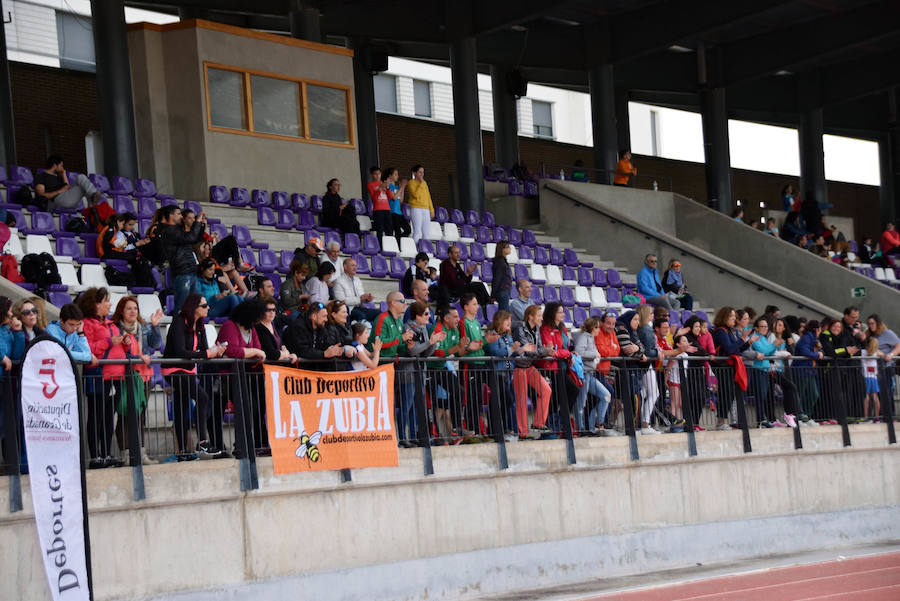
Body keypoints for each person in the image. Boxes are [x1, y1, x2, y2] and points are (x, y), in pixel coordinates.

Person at [163, 293, 226, 460]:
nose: (208, 308)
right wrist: (207, 353)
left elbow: (204, 350)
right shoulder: (179, 321)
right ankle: (202, 441)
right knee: (203, 398)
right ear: (194, 307)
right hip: (173, 369)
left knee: (182, 407)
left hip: (189, 371)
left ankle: (183, 452)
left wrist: (216, 351)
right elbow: (180, 351)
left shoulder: (200, 325)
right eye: (204, 305)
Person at [76, 288, 125, 467]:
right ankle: (95, 457)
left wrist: (125, 344)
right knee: (96, 417)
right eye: (106, 301)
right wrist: (109, 342)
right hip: (97, 375)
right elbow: (87, 349)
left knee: (107, 417)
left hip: (115, 377)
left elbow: (117, 349)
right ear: (96, 304)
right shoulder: (87, 324)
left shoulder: (112, 324)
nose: (110, 304)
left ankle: (106, 454)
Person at [217, 300, 269, 455]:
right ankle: (237, 446)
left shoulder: (251, 329)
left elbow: (258, 350)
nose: (257, 321)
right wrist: (252, 352)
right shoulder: (229, 326)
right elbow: (232, 350)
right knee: (224, 412)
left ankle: (245, 445)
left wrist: (251, 352)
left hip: (244, 376)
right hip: (226, 376)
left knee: (250, 409)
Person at [400, 301, 444, 445]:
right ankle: (402, 437)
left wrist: (433, 343)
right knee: (406, 406)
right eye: (426, 314)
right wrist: (429, 342)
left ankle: (413, 437)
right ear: (417, 315)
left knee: (416, 406)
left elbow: (425, 353)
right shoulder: (408, 327)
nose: (429, 316)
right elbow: (412, 351)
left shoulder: (423, 328)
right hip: (408, 372)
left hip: (420, 371)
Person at [511, 304, 552, 439]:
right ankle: (523, 433)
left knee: (546, 390)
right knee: (521, 400)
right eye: (539, 315)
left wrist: (541, 351)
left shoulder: (537, 329)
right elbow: (528, 351)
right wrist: (544, 351)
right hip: (519, 368)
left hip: (529, 367)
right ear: (530, 316)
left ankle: (538, 423)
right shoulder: (519, 328)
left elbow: (536, 349)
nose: (541, 318)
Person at [158, 205, 207, 316]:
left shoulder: (176, 229)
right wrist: (197, 222)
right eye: (179, 214)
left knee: (195, 307)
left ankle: (190, 331)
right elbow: (191, 238)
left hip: (190, 270)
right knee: (182, 307)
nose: (181, 216)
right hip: (182, 272)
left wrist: (201, 224)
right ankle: (177, 330)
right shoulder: (168, 230)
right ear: (171, 216)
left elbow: (196, 239)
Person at [429, 307, 469, 440]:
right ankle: (432, 435)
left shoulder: (455, 330)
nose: (459, 319)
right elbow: (437, 353)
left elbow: (458, 353)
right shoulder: (437, 329)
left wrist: (468, 347)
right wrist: (458, 347)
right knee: (434, 403)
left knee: (459, 391)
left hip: (441, 367)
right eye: (456, 316)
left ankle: (456, 426)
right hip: (429, 368)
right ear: (446, 318)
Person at [710, 306, 751, 431]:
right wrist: (742, 339)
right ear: (725, 317)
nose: (734, 318)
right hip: (722, 366)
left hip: (729, 366)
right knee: (725, 393)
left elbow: (736, 349)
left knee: (729, 393)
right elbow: (729, 349)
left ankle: (723, 420)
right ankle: (721, 421)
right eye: (732, 316)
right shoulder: (721, 331)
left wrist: (748, 343)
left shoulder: (729, 330)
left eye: (734, 316)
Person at [484, 310, 522, 441]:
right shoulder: (492, 334)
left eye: (510, 320)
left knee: (505, 400)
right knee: (502, 400)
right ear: (500, 320)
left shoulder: (508, 336)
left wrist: (519, 350)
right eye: (507, 320)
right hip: (495, 373)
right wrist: (511, 349)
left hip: (506, 373)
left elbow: (510, 354)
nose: (509, 323)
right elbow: (494, 351)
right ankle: (496, 430)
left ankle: (501, 428)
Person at [573, 318, 613, 435]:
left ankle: (598, 423)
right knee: (581, 402)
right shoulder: (584, 337)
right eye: (597, 327)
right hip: (584, 374)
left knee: (606, 395)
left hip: (590, 374)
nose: (599, 330)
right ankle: (581, 428)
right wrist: (594, 354)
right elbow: (578, 352)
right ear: (592, 328)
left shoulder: (590, 338)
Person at [34, 155, 104, 210]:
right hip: (55, 200)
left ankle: (93, 204)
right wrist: (60, 191)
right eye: (61, 166)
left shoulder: (58, 177)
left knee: (82, 181)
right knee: (82, 180)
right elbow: (42, 195)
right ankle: (92, 206)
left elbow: (67, 188)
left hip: (65, 199)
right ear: (55, 165)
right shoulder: (41, 176)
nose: (63, 168)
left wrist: (63, 174)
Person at [439, 244, 490, 319]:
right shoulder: (445, 265)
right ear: (450, 254)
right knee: (479, 286)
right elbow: (453, 282)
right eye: (456, 253)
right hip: (452, 290)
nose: (458, 254)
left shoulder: (457, 265)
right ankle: (486, 304)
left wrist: (469, 273)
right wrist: (466, 275)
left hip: (460, 288)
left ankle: (485, 309)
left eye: (459, 252)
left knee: (479, 287)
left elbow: (466, 280)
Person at [635, 305, 662, 435]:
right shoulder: (646, 329)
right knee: (654, 393)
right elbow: (647, 350)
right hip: (646, 365)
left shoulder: (641, 328)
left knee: (645, 394)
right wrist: (657, 352)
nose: (653, 315)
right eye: (651, 313)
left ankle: (644, 423)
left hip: (644, 365)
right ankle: (645, 423)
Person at [332, 257, 381, 323]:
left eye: (356, 266)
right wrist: (360, 298)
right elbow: (341, 301)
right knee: (361, 316)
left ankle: (375, 333)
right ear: (345, 267)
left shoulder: (357, 280)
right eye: (352, 265)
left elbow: (361, 298)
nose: (355, 268)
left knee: (379, 313)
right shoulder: (338, 281)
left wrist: (367, 299)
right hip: (349, 309)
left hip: (361, 307)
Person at [255, 296, 298, 365]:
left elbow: (282, 345)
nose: (272, 312)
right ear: (262, 311)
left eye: (274, 310)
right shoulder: (259, 328)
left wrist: (288, 354)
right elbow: (272, 354)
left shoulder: (273, 325)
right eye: (268, 310)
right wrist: (285, 354)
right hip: (265, 368)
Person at [406, 164, 435, 244]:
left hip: (426, 208)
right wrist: (420, 183)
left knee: (426, 232)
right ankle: (415, 248)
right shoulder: (411, 182)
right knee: (417, 231)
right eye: (420, 172)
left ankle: (425, 249)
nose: (422, 174)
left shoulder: (424, 183)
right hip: (416, 208)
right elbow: (415, 195)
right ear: (414, 173)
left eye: (423, 172)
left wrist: (431, 209)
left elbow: (428, 196)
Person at [367, 166, 394, 248]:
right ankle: (381, 247)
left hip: (387, 209)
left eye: (379, 174)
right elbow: (373, 199)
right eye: (375, 174)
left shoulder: (383, 182)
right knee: (380, 229)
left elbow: (390, 197)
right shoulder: (370, 185)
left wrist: (388, 187)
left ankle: (389, 247)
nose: (378, 176)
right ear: (372, 175)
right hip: (378, 210)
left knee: (389, 229)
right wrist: (379, 189)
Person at [384, 167, 411, 244]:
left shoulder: (397, 187)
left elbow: (401, 201)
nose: (397, 176)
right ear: (390, 176)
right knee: (397, 230)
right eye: (395, 174)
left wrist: (402, 188)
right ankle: (397, 245)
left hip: (399, 212)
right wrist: (401, 187)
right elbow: (394, 198)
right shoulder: (389, 186)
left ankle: (397, 242)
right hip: (392, 212)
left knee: (407, 229)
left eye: (397, 174)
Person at [861, 337, 883, 421]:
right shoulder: (876, 352)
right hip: (873, 377)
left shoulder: (863, 352)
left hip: (865, 376)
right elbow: (885, 355)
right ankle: (876, 417)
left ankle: (866, 416)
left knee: (866, 396)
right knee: (875, 396)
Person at [491, 240, 512, 312]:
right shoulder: (500, 262)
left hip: (504, 291)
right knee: (504, 315)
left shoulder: (502, 261)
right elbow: (497, 279)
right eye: (508, 247)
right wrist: (493, 295)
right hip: (502, 291)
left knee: (505, 315)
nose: (510, 249)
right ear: (502, 249)